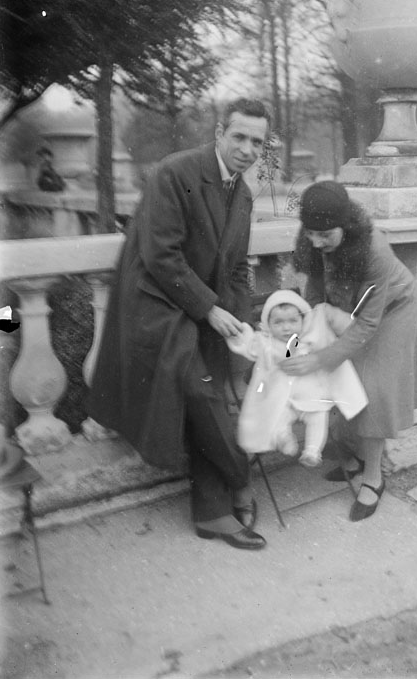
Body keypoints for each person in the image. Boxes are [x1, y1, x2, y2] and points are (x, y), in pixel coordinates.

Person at [88, 98, 271, 550]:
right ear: (219, 134)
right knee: (198, 388)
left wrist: (241, 323)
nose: (248, 149)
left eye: (257, 142)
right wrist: (210, 309)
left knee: (212, 382)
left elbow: (234, 270)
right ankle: (242, 479)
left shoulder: (244, 195)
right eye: (239, 137)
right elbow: (160, 256)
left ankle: (212, 513)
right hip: (153, 303)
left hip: (198, 305)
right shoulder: (176, 172)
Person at [280, 181, 417, 522]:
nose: (317, 242)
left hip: (393, 311)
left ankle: (374, 477)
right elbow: (315, 294)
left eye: (326, 236)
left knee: (374, 389)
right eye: (312, 233)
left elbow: (366, 326)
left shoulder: (374, 250)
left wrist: (319, 358)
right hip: (353, 310)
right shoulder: (315, 238)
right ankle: (359, 457)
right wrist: (300, 337)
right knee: (346, 379)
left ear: (345, 227)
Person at [226, 289, 368, 467]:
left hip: (311, 398)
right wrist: (236, 333)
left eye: (293, 321)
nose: (286, 327)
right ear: (268, 323)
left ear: (303, 320)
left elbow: (329, 349)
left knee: (318, 418)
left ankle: (312, 451)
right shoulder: (265, 343)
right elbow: (247, 344)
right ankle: (284, 438)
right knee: (277, 417)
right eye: (278, 322)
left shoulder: (309, 341)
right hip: (283, 400)